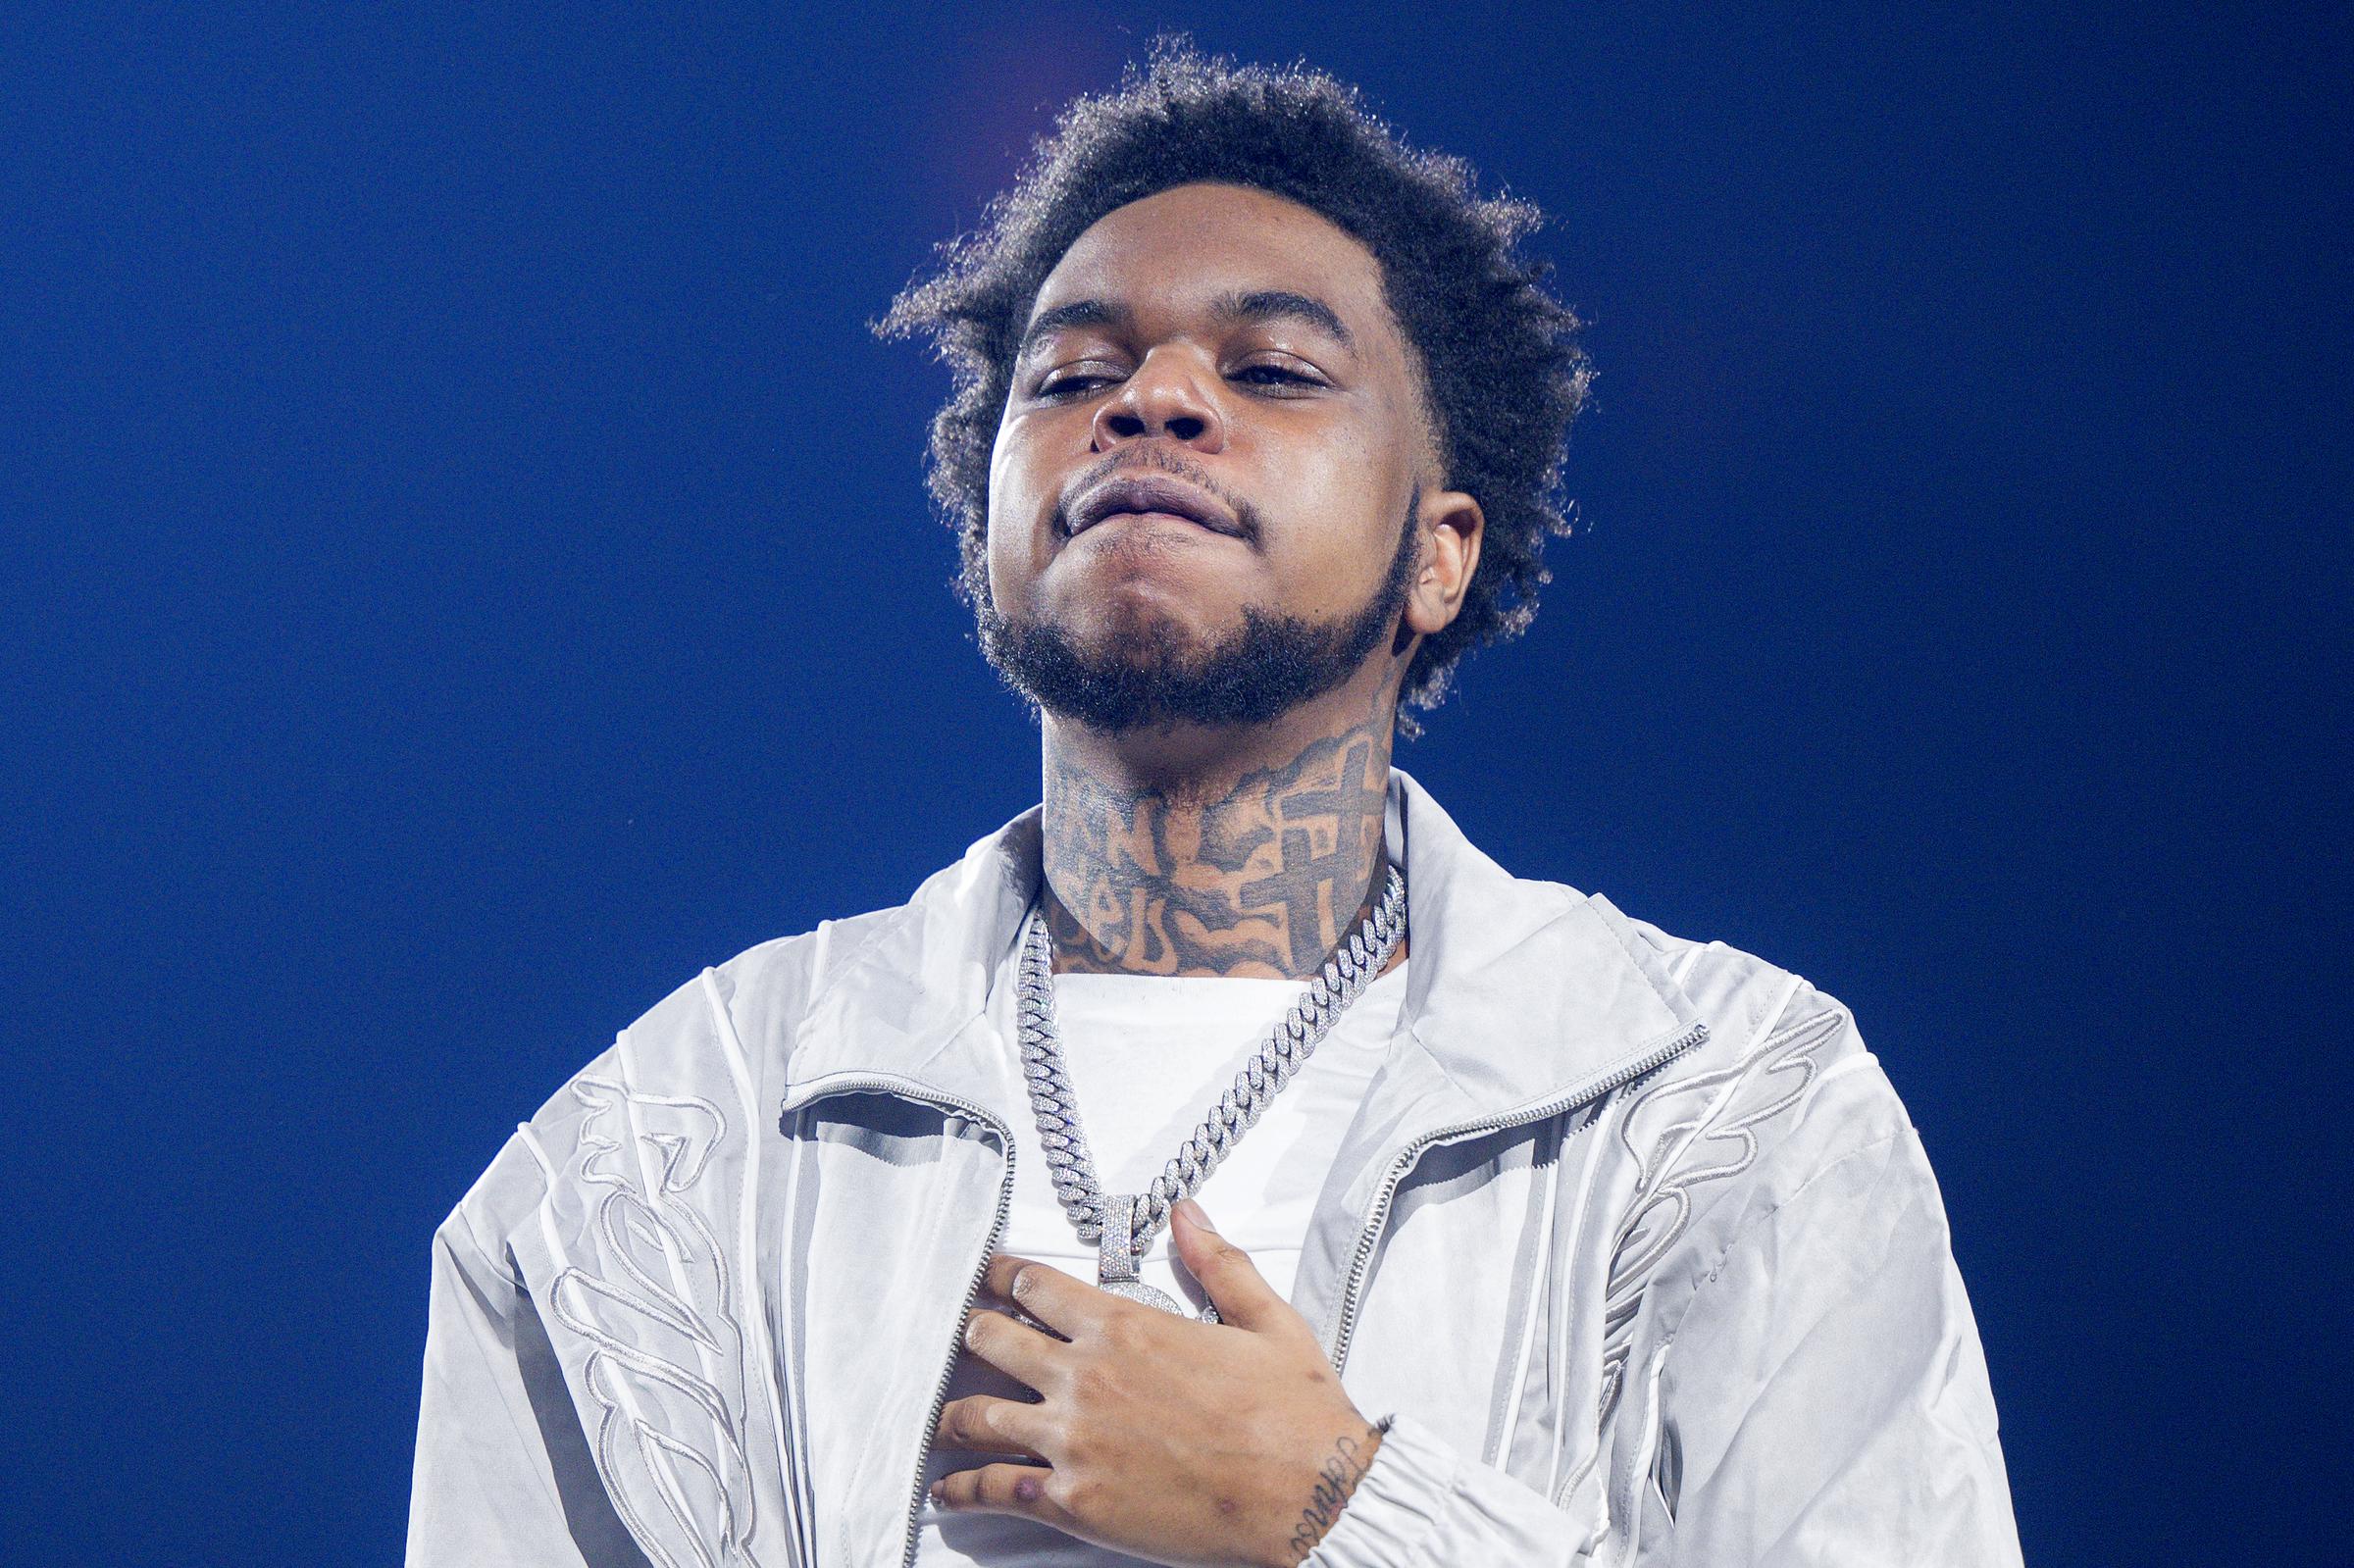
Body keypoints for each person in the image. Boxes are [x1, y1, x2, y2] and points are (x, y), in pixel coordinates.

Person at [406, 39, 2023, 1568]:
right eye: (1070, 375)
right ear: (989, 525)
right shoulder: (654, 1152)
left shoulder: (1730, 1109)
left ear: (1440, 552)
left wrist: (1335, 1509)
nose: (1151, 400)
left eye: (1271, 367)